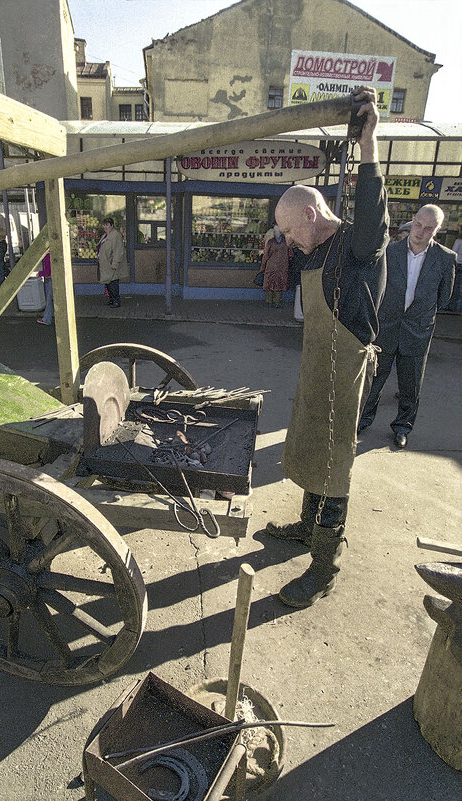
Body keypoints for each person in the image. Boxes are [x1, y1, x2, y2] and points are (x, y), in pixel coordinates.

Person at [266, 86, 389, 609]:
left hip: (345, 372)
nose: (289, 242)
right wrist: (278, 249)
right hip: (317, 365)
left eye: (291, 232)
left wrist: (368, 143)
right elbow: (289, 258)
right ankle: (305, 525)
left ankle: (323, 569)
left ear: (312, 217)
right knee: (310, 444)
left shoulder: (359, 245)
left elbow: (373, 208)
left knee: (334, 464)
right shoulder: (314, 247)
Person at [358, 204, 455, 448]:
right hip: (386, 328)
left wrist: (421, 316)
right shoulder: (390, 252)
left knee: (410, 385)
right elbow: (376, 288)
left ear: (438, 230)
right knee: (374, 380)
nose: (420, 232)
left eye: (428, 228)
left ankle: (402, 427)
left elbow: (444, 298)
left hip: (417, 331)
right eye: (418, 225)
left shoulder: (445, 258)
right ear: (413, 221)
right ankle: (363, 420)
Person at [97, 217, 126, 307]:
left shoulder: (115, 235)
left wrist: (115, 264)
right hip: (106, 264)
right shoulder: (105, 235)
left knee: (113, 283)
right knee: (108, 283)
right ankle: (112, 300)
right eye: (104, 225)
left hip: (111, 264)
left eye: (107, 225)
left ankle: (116, 301)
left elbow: (118, 250)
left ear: (112, 226)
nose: (105, 227)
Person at [260, 224, 291, 307]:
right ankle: (277, 302)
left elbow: (266, 255)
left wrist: (262, 267)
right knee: (280, 285)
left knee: (269, 284)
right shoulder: (286, 242)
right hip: (282, 266)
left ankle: (269, 302)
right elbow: (291, 254)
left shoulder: (271, 242)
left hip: (271, 266)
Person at [37, 253, 53, 326]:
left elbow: (47, 272)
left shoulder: (47, 256)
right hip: (56, 278)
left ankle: (47, 319)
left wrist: (39, 273)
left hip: (50, 280)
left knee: (49, 300)